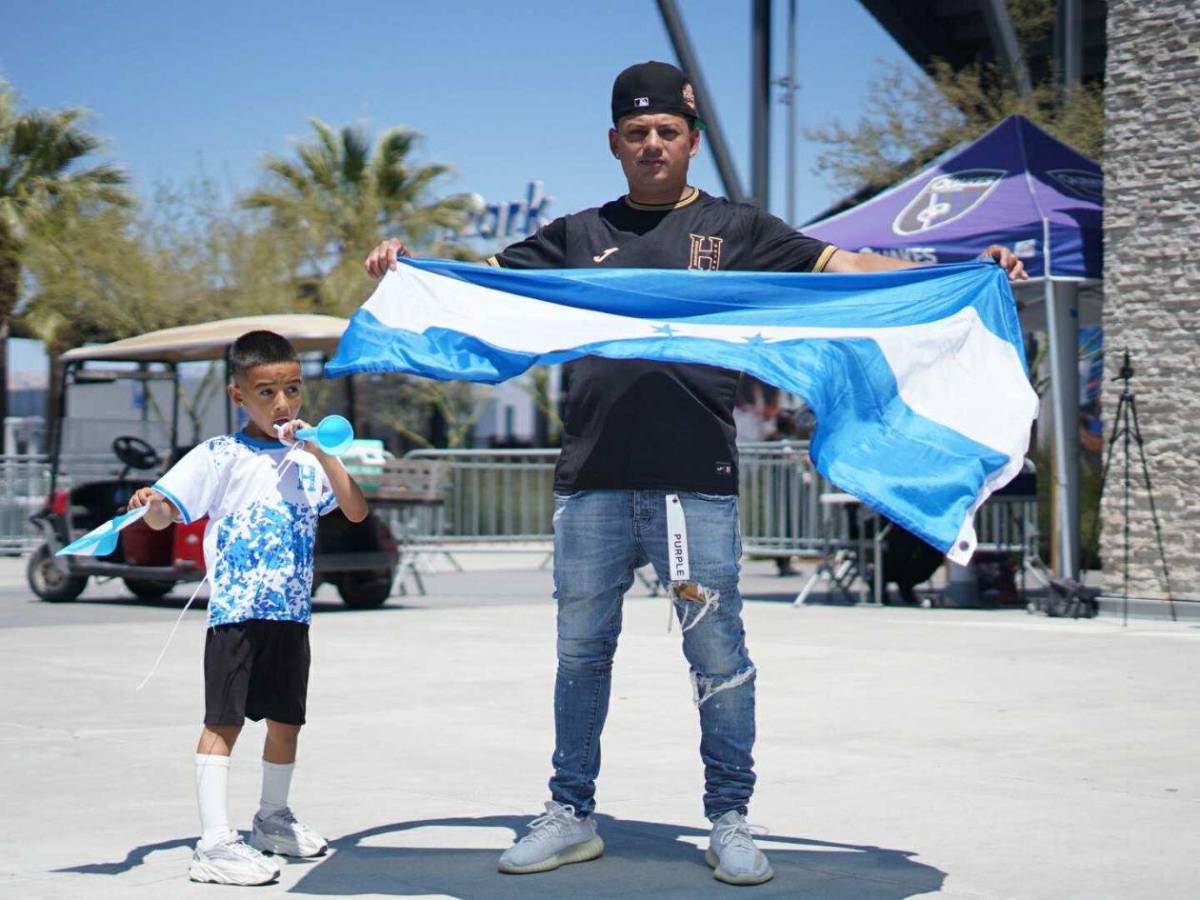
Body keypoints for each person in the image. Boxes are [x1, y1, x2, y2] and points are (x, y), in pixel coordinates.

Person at [365, 60, 1026, 887]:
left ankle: (731, 819)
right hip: (591, 482)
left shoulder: (739, 231)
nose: (651, 145)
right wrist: (409, 268)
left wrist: (960, 267)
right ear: (613, 142)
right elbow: (481, 288)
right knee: (580, 655)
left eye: (666, 132)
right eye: (636, 133)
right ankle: (570, 812)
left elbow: (850, 269)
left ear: (691, 140)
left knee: (717, 655)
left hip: (697, 483)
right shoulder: (575, 236)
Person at [129, 330, 369, 886]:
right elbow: (166, 516)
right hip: (236, 614)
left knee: (287, 722)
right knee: (223, 722)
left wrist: (322, 453)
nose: (282, 404)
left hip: (292, 615)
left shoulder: (309, 462)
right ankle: (214, 843)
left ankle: (272, 819)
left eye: (292, 389)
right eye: (266, 392)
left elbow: (355, 511)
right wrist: (154, 503)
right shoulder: (219, 456)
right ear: (240, 396)